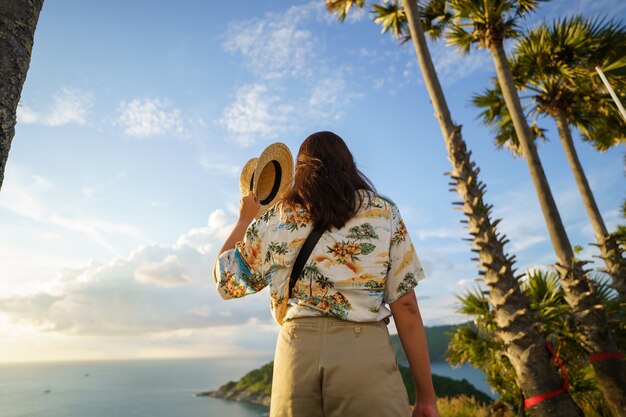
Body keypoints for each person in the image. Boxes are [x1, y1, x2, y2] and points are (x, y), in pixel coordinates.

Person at [213, 131, 439, 417]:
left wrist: (245, 219)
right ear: (350, 164)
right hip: (363, 356)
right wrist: (426, 398)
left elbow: (226, 281)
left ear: (300, 171)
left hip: (296, 354)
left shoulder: (278, 217)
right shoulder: (383, 213)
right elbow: (406, 306)